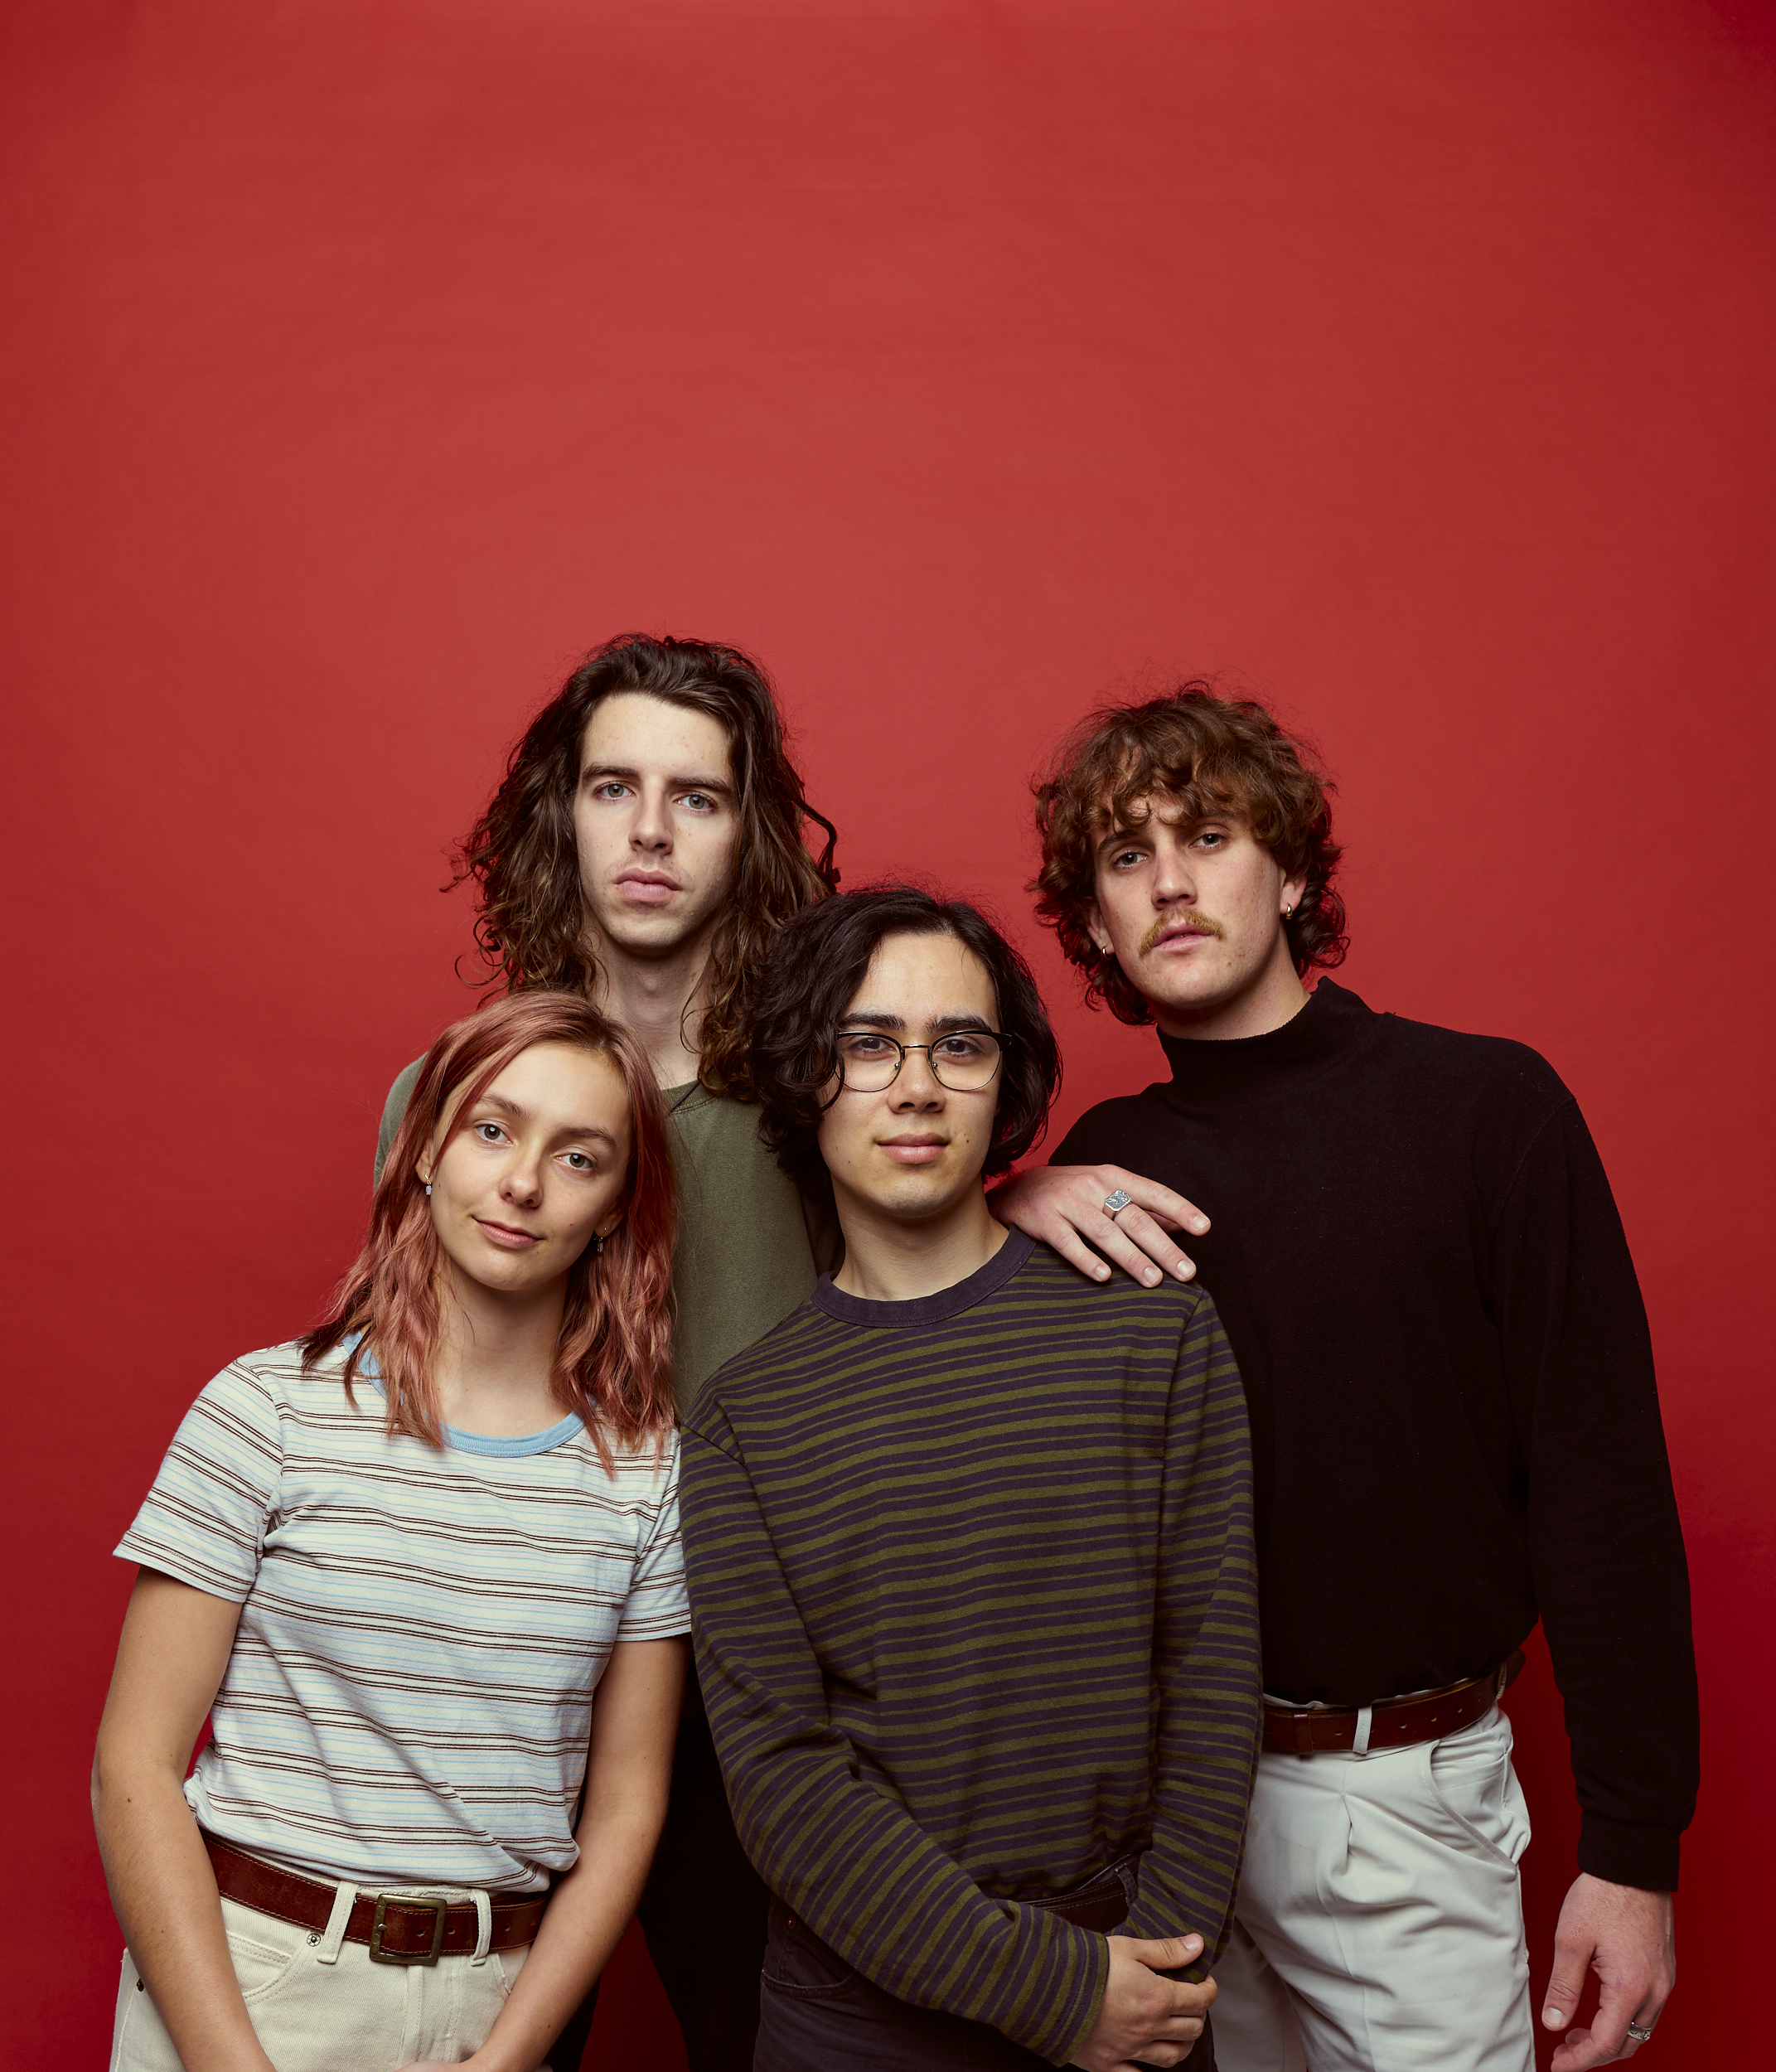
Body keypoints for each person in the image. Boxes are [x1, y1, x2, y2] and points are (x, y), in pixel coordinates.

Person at [374, 632, 1223, 2071]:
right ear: (558, 817)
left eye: (697, 798)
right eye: (613, 789)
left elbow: (910, 1222)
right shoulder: (463, 1102)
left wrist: (1011, 1187)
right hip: (518, 1669)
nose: (651, 833)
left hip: (754, 1692)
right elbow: (410, 1372)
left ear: (749, 830)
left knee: (758, 2022)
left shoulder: (810, 1093)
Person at [1031, 685, 1698, 2072]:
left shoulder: (1486, 1110)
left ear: (1288, 873)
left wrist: (1634, 1852)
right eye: (1128, 857)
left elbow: (1603, 1491)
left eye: (1208, 837)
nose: (1171, 883)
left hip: (1401, 1798)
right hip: (1173, 1818)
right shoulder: (1101, 1166)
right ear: (1094, 923)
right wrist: (1004, 1202)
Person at [677, 885, 1261, 2072]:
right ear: (804, 1075)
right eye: (868, 1045)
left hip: (1137, 1976)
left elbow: (1211, 1677)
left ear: (1007, 1081)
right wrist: (1048, 1993)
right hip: (858, 2020)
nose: (917, 1086)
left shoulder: (1154, 1334)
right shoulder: (744, 1419)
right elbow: (785, 1780)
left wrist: (1149, 1969)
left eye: (959, 1044)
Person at [94, 991, 688, 2072]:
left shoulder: (647, 1474)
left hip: (493, 2004)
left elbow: (626, 1812)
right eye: (492, 1130)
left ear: (615, 1208)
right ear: (423, 1152)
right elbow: (132, 1766)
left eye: (579, 1157)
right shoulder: (264, 1411)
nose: (523, 1182)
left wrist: (509, 2057)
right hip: (252, 1984)